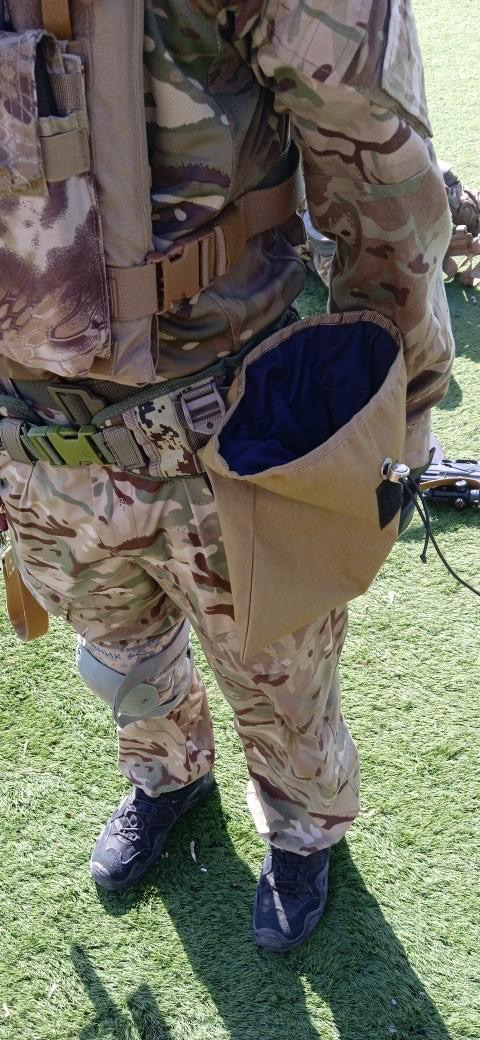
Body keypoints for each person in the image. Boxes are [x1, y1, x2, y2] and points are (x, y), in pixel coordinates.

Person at [0, 0, 453, 953]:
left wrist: (400, 400)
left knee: (283, 671)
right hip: (38, 442)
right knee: (121, 648)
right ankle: (168, 773)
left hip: (232, 428)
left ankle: (303, 831)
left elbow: (382, 170)